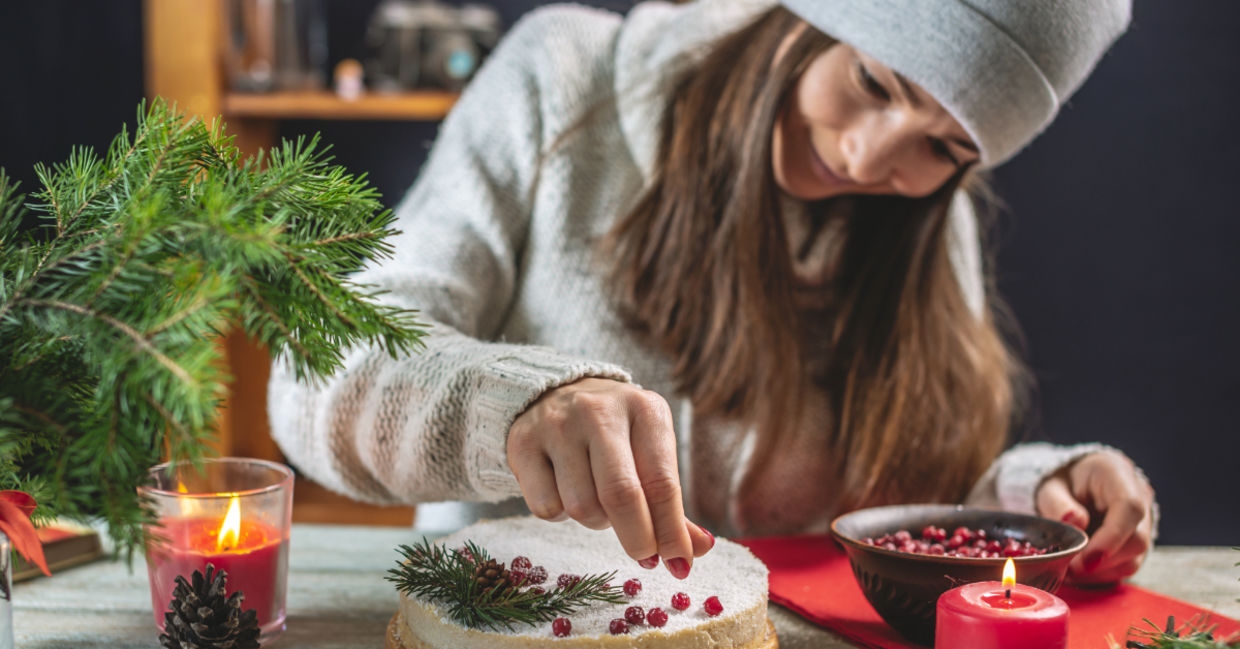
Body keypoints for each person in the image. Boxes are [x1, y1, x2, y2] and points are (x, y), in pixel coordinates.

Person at [268, 0, 1156, 586]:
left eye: (945, 150)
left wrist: (1043, 494)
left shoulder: (922, 223)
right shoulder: (561, 81)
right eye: (875, 84)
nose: (870, 159)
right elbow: (324, 363)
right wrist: (516, 409)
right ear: (807, 20)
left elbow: (915, 503)